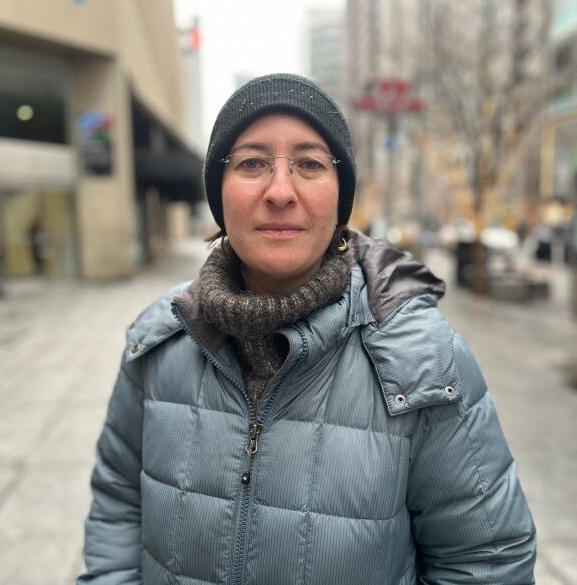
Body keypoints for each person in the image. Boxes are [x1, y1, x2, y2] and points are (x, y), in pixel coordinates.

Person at [78, 73, 536, 585]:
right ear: (218, 193)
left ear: (340, 197)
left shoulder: (423, 363)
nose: (279, 190)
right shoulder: (158, 342)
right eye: (252, 163)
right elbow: (118, 504)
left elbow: (485, 561)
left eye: (310, 164)